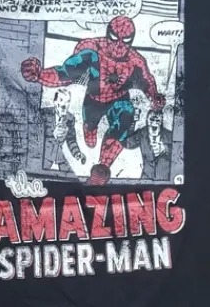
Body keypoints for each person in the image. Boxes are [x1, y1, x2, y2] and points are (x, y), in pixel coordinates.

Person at [21, 15, 165, 185]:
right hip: (93, 100)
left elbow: (147, 82)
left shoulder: (135, 61)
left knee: (127, 113)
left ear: (131, 41)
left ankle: (102, 170)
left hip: (119, 99)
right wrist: (39, 75)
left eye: (125, 41)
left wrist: (155, 97)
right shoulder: (92, 50)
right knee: (90, 137)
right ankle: (90, 132)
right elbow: (65, 73)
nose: (119, 46)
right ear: (108, 35)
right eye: (114, 39)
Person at [42, 88, 85, 174]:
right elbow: (36, 135)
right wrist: (53, 134)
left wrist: (77, 152)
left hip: (60, 156)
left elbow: (71, 139)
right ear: (55, 102)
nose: (64, 105)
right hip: (44, 156)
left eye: (67, 101)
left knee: (70, 177)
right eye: (61, 100)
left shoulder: (70, 118)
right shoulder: (44, 114)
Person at [124, 107, 173, 181]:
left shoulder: (169, 135)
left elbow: (180, 152)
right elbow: (127, 144)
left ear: (161, 122)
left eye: (157, 120)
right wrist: (132, 122)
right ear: (147, 120)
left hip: (165, 179)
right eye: (152, 120)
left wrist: (165, 149)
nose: (154, 123)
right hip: (146, 179)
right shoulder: (142, 133)